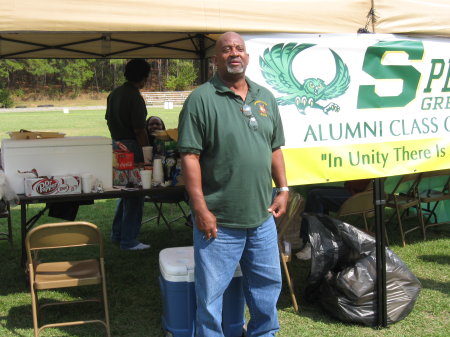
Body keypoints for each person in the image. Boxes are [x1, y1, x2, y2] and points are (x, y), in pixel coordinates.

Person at [177, 32, 289, 337]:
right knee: (211, 298)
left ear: (247, 56)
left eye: (239, 49)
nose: (234, 54)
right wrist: (200, 208)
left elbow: (274, 148)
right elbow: (189, 156)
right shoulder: (201, 99)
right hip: (219, 221)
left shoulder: (265, 96)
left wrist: (283, 189)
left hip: (262, 217)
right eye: (226, 50)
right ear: (216, 59)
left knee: (267, 291)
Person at [105, 58, 151, 251]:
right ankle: (129, 240)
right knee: (135, 194)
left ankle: (118, 234)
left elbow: (108, 120)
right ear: (143, 77)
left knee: (124, 192)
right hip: (132, 147)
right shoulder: (134, 97)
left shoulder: (114, 94)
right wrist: (147, 152)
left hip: (116, 145)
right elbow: (140, 129)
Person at [296, 179, 372, 260]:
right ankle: (321, 241)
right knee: (312, 192)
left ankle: (312, 243)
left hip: (362, 196)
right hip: (357, 191)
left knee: (315, 196)